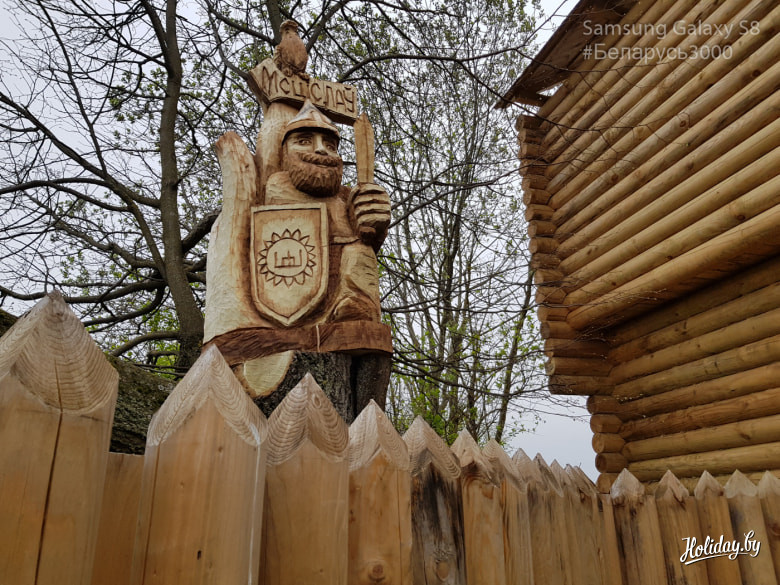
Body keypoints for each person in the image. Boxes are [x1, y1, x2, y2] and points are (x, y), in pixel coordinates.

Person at [263, 100, 391, 322]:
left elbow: (367, 236)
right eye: (304, 141)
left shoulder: (347, 196)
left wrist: (373, 220)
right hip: (292, 286)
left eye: (331, 146)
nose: (321, 149)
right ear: (284, 153)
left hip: (343, 294)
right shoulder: (277, 186)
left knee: (359, 252)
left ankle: (358, 303)